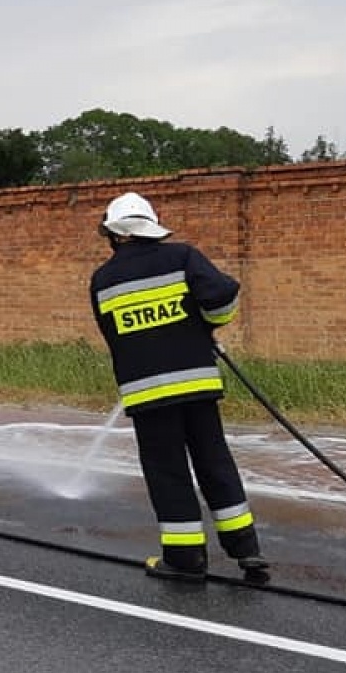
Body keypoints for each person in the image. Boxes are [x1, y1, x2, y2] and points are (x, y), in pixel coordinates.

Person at [88, 192, 269, 584]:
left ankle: (185, 560)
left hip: (147, 394)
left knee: (168, 472)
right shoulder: (183, 257)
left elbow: (113, 333)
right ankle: (246, 550)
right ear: (153, 225)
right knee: (214, 461)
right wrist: (208, 324)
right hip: (198, 384)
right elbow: (223, 295)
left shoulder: (103, 280)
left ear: (114, 234)